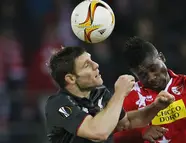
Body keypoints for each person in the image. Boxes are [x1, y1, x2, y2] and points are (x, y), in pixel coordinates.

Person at [44, 46, 175, 143]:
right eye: (87, 65)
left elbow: (126, 122)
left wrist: (156, 107)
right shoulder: (58, 104)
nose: (96, 65)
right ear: (71, 79)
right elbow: (97, 132)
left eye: (92, 60)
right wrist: (120, 93)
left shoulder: (99, 93)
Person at [113, 37, 186, 143]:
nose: (151, 77)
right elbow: (117, 135)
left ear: (162, 57)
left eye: (153, 68)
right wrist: (142, 132)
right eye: (143, 75)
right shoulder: (131, 97)